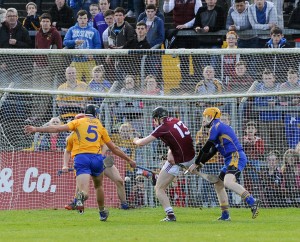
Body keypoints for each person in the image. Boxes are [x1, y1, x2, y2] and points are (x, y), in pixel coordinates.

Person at [24, 104, 137, 221]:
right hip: (97, 159)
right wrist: (128, 160)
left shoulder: (77, 124)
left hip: (82, 158)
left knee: (84, 192)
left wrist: (36, 129)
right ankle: (102, 212)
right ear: (96, 114)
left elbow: (56, 129)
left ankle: (78, 199)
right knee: (98, 186)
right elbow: (114, 148)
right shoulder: (99, 125)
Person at [186, 107, 261, 220]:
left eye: (205, 117)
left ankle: (252, 201)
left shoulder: (215, 127)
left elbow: (206, 148)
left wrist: (196, 163)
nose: (203, 120)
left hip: (235, 156)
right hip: (229, 159)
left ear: (211, 117)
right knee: (218, 185)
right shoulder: (218, 128)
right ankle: (225, 215)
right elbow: (211, 152)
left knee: (228, 182)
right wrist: (200, 163)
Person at [133, 106, 195, 222]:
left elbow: (142, 143)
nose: (154, 122)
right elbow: (179, 140)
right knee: (162, 183)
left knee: (159, 188)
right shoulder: (176, 120)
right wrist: (171, 152)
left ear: (157, 118)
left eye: (154, 119)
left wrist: (135, 140)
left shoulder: (163, 127)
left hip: (178, 160)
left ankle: (170, 215)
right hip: (191, 156)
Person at [63, 113, 131, 211]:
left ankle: (124, 205)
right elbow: (67, 151)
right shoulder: (71, 137)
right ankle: (77, 203)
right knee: (80, 186)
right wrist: (65, 165)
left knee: (119, 180)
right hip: (84, 160)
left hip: (100, 159)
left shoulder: (96, 129)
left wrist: (101, 156)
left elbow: (105, 146)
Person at [63, 10, 101, 82]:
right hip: (76, 60)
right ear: (77, 19)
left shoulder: (94, 30)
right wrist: (74, 42)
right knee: (74, 81)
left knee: (92, 82)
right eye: (80, 18)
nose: (82, 20)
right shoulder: (71, 29)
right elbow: (65, 42)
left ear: (87, 19)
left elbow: (98, 44)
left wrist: (93, 54)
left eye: (84, 18)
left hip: (90, 61)